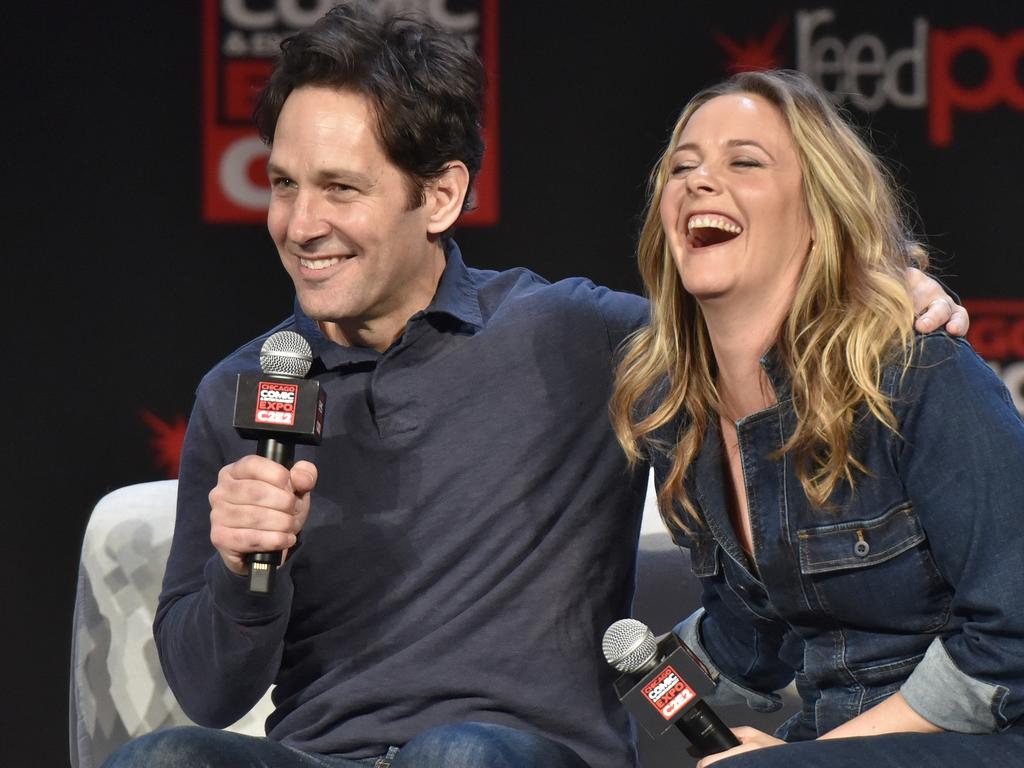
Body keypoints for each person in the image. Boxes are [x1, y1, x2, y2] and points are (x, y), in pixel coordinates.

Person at [100, 6, 967, 768]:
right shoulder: (244, 392)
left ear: (439, 196)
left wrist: (886, 291)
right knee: (164, 757)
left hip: (520, 755)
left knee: (460, 754)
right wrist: (240, 571)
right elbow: (210, 696)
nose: (300, 225)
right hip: (323, 756)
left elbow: (763, 306)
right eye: (284, 185)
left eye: (341, 190)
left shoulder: (574, 337)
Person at [610, 69, 1024, 768]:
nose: (700, 181)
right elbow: (749, 641)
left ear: (817, 211)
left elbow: (1012, 641)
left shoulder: (918, 375)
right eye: (683, 167)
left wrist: (812, 757)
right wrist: (624, 680)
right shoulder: (677, 420)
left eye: (745, 162)